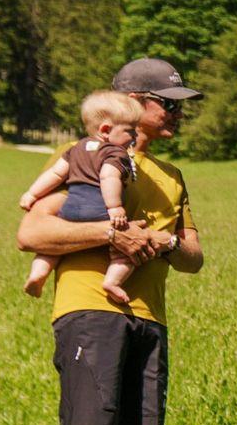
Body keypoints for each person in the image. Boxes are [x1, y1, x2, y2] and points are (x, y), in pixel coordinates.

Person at [15, 58, 204, 425]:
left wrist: (164, 241)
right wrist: (112, 233)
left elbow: (194, 256)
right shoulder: (85, 154)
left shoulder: (171, 174)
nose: (176, 113)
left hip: (149, 319)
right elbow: (32, 232)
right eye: (167, 103)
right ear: (132, 102)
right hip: (90, 311)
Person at [18, 90, 145, 305]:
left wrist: (31, 194)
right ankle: (112, 282)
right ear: (106, 130)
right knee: (126, 252)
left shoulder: (76, 148)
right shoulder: (115, 152)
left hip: (70, 209)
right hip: (99, 210)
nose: (135, 137)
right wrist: (114, 207)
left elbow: (56, 174)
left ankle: (38, 273)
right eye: (130, 131)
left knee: (53, 247)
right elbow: (108, 176)